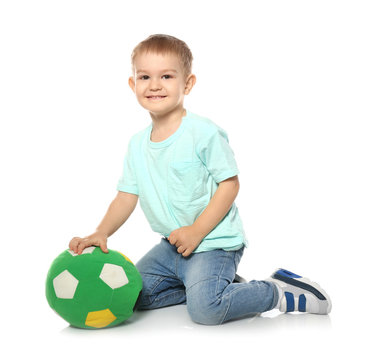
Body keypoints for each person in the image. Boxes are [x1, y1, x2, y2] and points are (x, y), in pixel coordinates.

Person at [69, 34, 331, 325]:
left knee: (206, 310)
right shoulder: (136, 145)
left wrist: (196, 231)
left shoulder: (203, 133)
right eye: (144, 76)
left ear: (187, 83)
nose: (154, 85)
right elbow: (126, 196)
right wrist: (102, 232)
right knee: (131, 295)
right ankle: (218, 286)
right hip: (173, 247)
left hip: (213, 242)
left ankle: (275, 291)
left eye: (166, 76)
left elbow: (230, 185)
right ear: (133, 85)